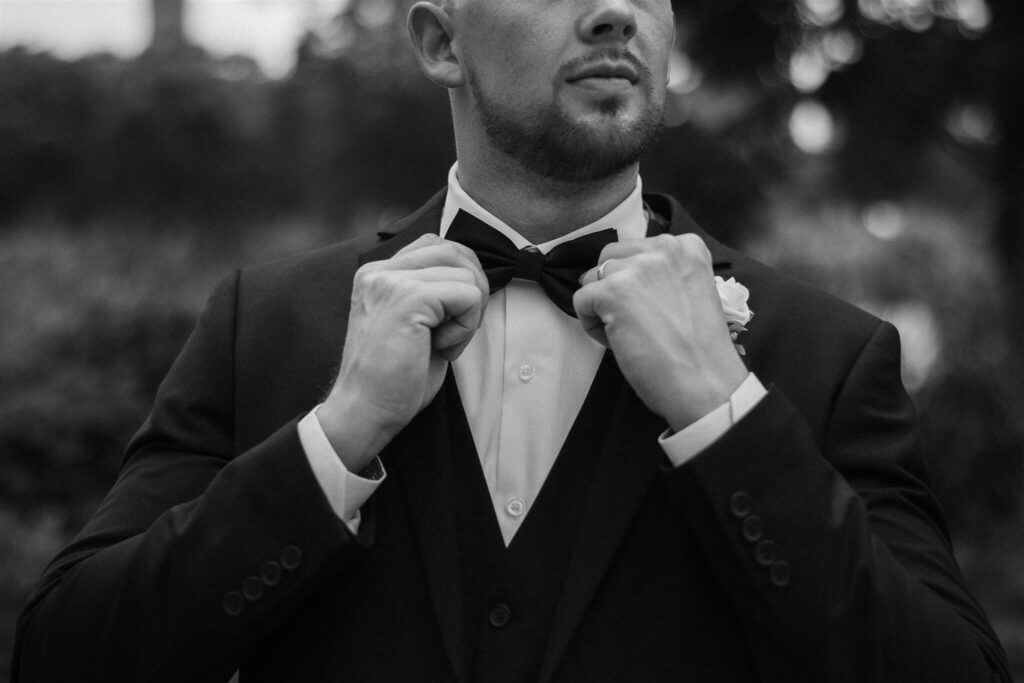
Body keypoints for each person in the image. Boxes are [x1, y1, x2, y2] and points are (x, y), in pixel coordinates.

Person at [12, 0, 1011, 681]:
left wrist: (725, 413)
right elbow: (66, 653)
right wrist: (339, 432)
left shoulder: (829, 353)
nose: (618, 11)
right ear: (442, 42)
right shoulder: (264, 322)